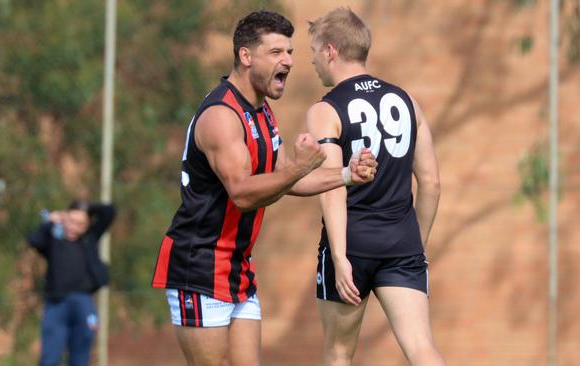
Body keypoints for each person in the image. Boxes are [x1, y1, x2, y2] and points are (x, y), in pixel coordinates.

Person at [151, 10, 378, 366]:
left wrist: (346, 175)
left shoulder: (262, 112)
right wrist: (301, 165)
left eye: (289, 52)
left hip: (238, 267)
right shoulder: (220, 117)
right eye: (276, 53)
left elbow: (285, 177)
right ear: (245, 56)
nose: (288, 61)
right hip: (199, 266)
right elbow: (242, 194)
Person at [306, 8, 445, 366]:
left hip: (351, 245)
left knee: (339, 353)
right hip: (402, 244)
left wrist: (339, 257)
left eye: (314, 51)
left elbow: (333, 185)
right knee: (422, 347)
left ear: (331, 51)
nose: (312, 61)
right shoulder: (407, 101)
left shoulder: (326, 109)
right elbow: (430, 182)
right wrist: (417, 247)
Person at [27, 200, 115, 366]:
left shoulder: (89, 238)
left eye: (80, 224)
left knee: (81, 355)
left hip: (83, 302)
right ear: (64, 218)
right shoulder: (53, 239)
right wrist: (50, 221)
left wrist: (87, 208)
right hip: (56, 302)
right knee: (50, 357)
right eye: (71, 222)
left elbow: (109, 211)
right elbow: (34, 240)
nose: (74, 227)